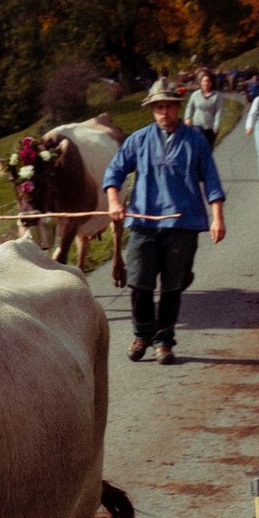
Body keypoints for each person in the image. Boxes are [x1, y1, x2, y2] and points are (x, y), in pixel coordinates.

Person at [104, 79, 227, 366]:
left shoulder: (195, 140)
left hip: (182, 224)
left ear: (176, 107)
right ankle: (142, 334)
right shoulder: (139, 139)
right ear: (152, 110)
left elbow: (211, 180)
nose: (164, 113)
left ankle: (164, 340)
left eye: (169, 106)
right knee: (138, 282)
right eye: (159, 107)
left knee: (172, 286)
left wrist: (217, 218)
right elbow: (115, 172)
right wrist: (113, 201)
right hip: (144, 222)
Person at [184, 70, 224, 148]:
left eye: (208, 81)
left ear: (211, 83)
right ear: (201, 83)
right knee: (197, 147)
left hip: (210, 127)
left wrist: (216, 125)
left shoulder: (217, 96)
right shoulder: (195, 95)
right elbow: (189, 106)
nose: (206, 83)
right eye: (204, 81)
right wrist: (187, 118)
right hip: (197, 125)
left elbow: (219, 111)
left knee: (208, 149)